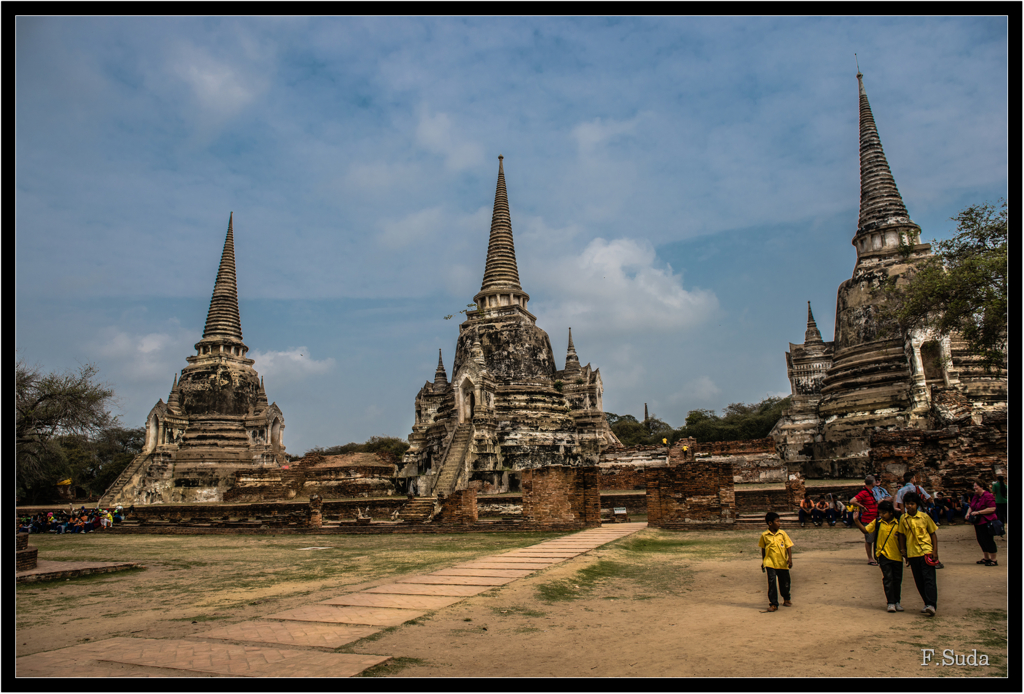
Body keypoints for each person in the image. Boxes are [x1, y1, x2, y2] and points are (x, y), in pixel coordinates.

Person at [855, 500, 904, 612]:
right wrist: (857, 521)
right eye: (880, 513)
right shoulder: (878, 522)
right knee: (888, 579)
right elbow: (866, 530)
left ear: (891, 512)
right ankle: (890, 602)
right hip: (883, 555)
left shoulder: (899, 523)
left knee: (897, 580)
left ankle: (897, 601)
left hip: (897, 556)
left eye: (883, 513)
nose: (881, 515)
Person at [897, 491, 939, 617]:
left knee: (929, 579)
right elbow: (901, 536)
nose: (909, 506)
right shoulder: (903, 519)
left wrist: (935, 551)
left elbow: (932, 534)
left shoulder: (924, 517)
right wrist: (903, 551)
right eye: (907, 504)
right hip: (912, 553)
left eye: (912, 504)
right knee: (919, 580)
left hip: (926, 551)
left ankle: (931, 603)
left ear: (917, 504)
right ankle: (927, 603)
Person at [759, 511, 794, 612]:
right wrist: (763, 561)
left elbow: (788, 546)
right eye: (777, 521)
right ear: (770, 523)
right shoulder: (765, 535)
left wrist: (790, 559)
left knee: (785, 582)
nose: (779, 523)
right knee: (772, 583)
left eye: (779, 521)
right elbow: (763, 549)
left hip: (782, 563)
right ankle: (773, 603)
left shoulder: (782, 533)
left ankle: (786, 598)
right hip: (770, 562)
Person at [965, 479, 999, 566]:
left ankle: (993, 559)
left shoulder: (988, 496)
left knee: (988, 540)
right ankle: (986, 557)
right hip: (977, 521)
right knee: (981, 539)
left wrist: (979, 512)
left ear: (982, 486)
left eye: (976, 486)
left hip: (986, 521)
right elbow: (971, 506)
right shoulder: (976, 496)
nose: (974, 487)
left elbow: (992, 508)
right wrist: (968, 513)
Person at [850, 476, 880, 565]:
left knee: (875, 539)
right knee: (869, 539)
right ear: (872, 483)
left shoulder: (872, 492)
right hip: (868, 518)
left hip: (875, 517)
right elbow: (852, 501)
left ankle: (875, 557)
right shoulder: (864, 493)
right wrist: (862, 506)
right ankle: (870, 558)